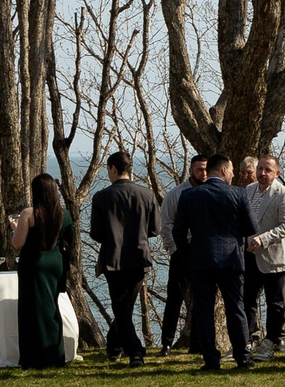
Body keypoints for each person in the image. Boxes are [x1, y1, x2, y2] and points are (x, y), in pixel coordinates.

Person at [174, 154, 257, 372]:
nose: (232, 175)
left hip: (200, 260)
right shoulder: (238, 194)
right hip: (231, 259)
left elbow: (178, 231)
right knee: (236, 308)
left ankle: (211, 359)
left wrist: (188, 256)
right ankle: (243, 357)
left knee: (203, 310)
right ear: (222, 171)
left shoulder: (189, 196)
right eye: (231, 171)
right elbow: (251, 228)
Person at [89, 151, 160, 366]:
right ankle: (114, 346)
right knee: (124, 308)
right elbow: (155, 229)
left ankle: (135, 351)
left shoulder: (101, 197)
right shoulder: (147, 195)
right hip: (138, 257)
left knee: (121, 308)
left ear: (112, 168)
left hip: (114, 259)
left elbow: (96, 234)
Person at [9, 173, 75, 370]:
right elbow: (69, 241)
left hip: (34, 263)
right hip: (55, 262)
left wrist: (14, 228)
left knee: (31, 310)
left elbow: (17, 243)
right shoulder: (64, 214)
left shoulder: (28, 214)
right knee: (51, 307)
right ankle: (55, 354)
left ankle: (33, 357)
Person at [244, 152, 285, 356]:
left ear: (277, 172)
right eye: (260, 168)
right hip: (249, 254)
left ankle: (271, 341)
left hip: (274, 257)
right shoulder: (248, 191)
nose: (262, 173)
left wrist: (262, 239)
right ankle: (250, 339)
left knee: (275, 303)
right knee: (247, 300)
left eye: (267, 169)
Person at [158, 154, 208, 352]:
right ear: (191, 171)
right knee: (174, 299)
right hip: (181, 252)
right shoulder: (176, 195)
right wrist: (175, 250)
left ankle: (197, 343)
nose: (203, 174)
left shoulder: (210, 192)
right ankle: (166, 343)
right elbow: (166, 224)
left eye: (205, 170)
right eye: (199, 170)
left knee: (201, 298)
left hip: (203, 252)